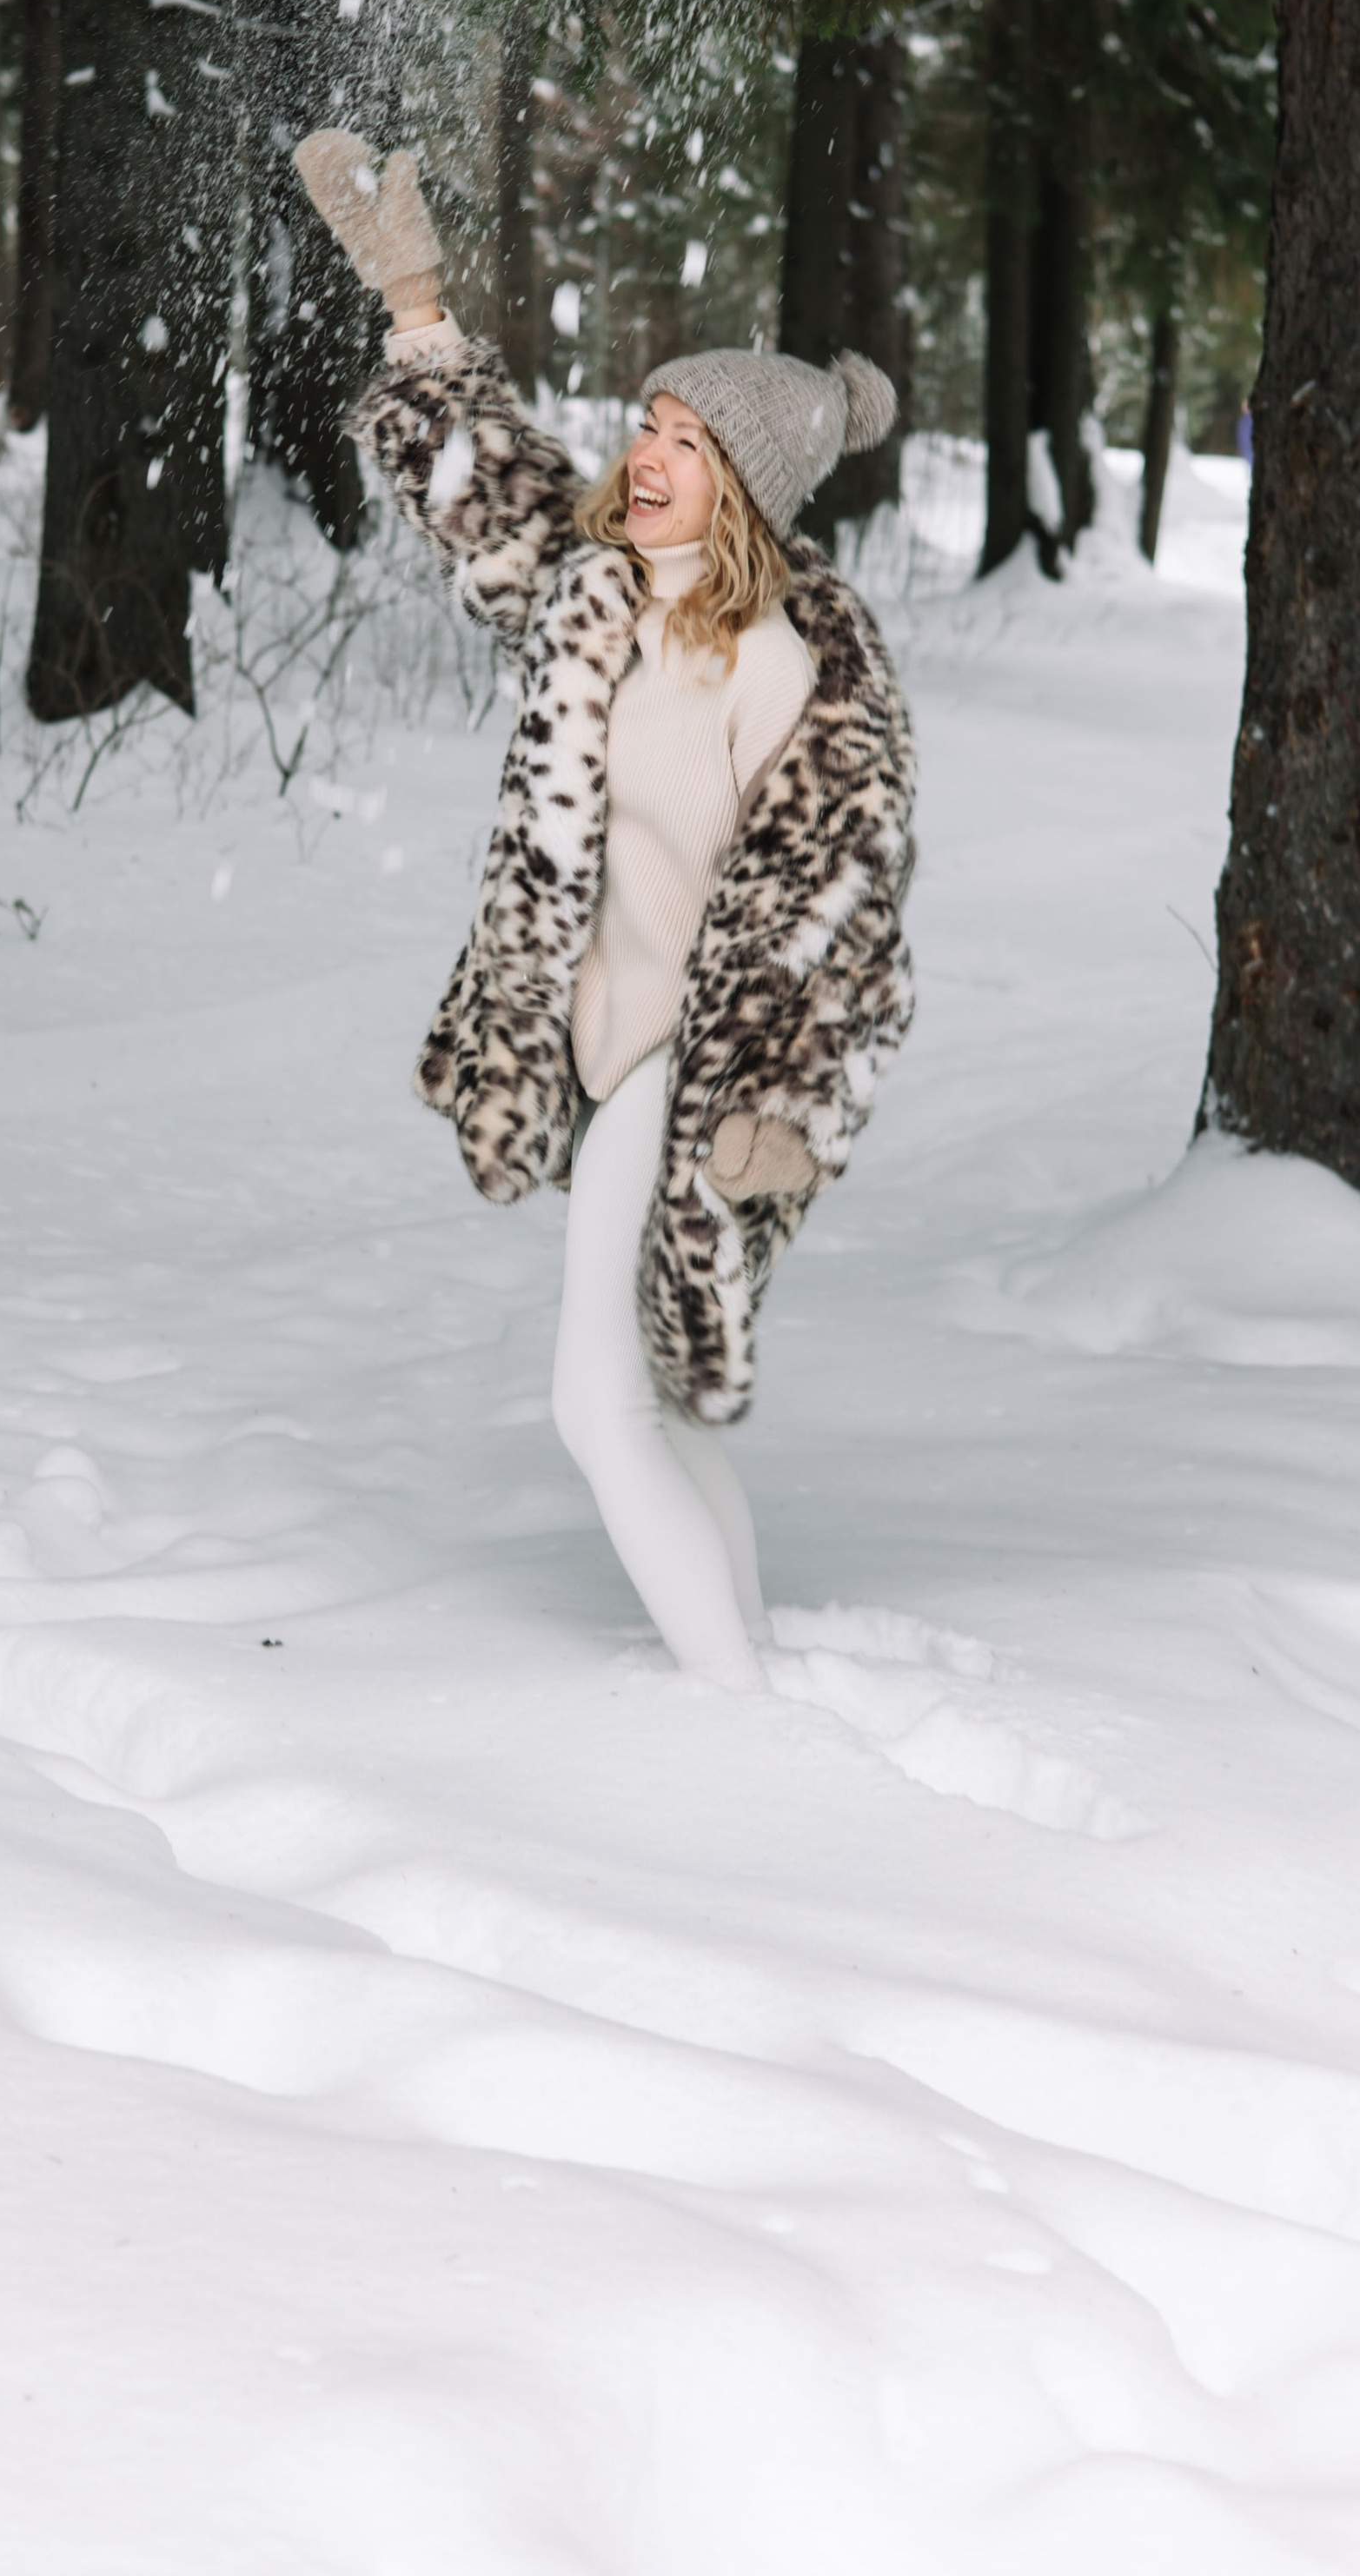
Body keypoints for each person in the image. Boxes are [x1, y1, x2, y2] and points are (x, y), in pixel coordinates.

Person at [295, 130, 917, 1693]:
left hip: (681, 1067)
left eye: (687, 442)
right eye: (647, 421)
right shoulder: (601, 593)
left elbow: (838, 905)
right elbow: (486, 492)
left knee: (596, 1402)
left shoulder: (784, 664)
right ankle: (745, 1655)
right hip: (595, 1033)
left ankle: (735, 1712)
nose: (646, 453)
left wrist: (781, 1104)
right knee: (661, 1397)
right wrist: (416, 302)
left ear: (746, 488)